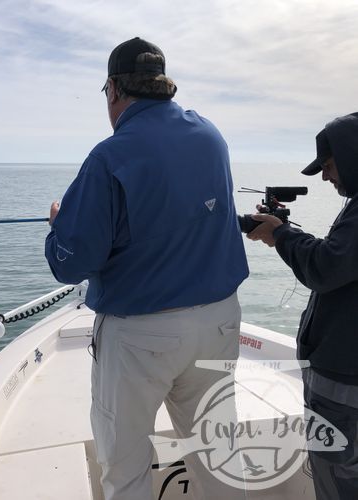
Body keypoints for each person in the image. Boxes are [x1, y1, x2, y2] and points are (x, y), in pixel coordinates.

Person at [45, 37, 249, 500]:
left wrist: (57, 229)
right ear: (162, 85)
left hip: (142, 336)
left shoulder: (110, 155)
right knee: (219, 455)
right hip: (219, 321)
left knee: (126, 466)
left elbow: (73, 261)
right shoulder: (211, 135)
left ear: (114, 90)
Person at [247, 112, 358, 499]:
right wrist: (287, 235)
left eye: (328, 166)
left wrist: (282, 236)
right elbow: (343, 259)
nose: (326, 177)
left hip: (344, 388)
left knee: (336, 484)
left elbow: (327, 267)